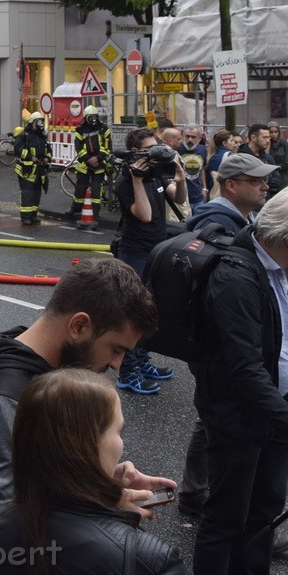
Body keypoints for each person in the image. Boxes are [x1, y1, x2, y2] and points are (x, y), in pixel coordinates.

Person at [0, 258, 169, 575]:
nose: (117, 365)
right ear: (79, 326)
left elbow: (40, 484)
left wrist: (102, 482)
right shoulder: (8, 399)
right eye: (115, 349)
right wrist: (104, 512)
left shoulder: (37, 361)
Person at [192, 185, 288, 575]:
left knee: (264, 512)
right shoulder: (236, 276)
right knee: (227, 515)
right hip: (237, 413)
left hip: (280, 410)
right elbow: (243, 368)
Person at [180, 152, 288, 557]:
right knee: (215, 426)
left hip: (230, 355)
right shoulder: (221, 222)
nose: (265, 186)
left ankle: (199, 493)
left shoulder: (243, 220)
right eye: (256, 180)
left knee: (209, 424)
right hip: (223, 353)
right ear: (232, 185)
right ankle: (199, 494)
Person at [0, 368, 188, 575]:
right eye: (119, 431)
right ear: (86, 446)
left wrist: (103, 496)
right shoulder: (151, 559)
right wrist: (115, 516)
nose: (121, 443)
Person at [113, 128, 186, 395]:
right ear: (136, 153)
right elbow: (143, 215)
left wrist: (180, 175)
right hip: (136, 252)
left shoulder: (155, 176)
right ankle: (127, 372)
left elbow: (178, 197)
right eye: (150, 148)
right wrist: (136, 179)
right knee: (133, 313)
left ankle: (143, 361)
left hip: (157, 250)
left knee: (151, 312)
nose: (156, 151)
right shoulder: (124, 183)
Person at [67, 105, 111, 219]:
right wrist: (88, 159)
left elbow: (107, 145)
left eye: (95, 116)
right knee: (80, 189)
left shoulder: (103, 128)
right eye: (91, 117)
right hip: (84, 165)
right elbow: (78, 147)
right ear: (86, 117)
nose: (93, 119)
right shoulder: (80, 129)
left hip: (99, 164)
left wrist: (98, 158)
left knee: (97, 191)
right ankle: (75, 209)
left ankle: (95, 213)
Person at [13, 111, 51, 225]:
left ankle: (33, 215)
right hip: (27, 171)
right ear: (32, 123)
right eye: (38, 121)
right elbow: (17, 150)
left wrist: (47, 158)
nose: (40, 124)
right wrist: (30, 157)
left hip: (39, 171)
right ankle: (25, 217)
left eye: (42, 121)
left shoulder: (42, 136)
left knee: (36, 194)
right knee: (27, 194)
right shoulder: (24, 135)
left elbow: (49, 150)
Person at [237, 123, 282, 199]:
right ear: (254, 138)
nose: (268, 141)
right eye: (264, 138)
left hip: (265, 202)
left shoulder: (268, 158)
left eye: (269, 138)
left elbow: (277, 181)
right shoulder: (241, 158)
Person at [179, 124, 209, 213]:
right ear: (182, 136)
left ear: (199, 139)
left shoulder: (202, 149)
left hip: (197, 197)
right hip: (181, 197)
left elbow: (202, 169)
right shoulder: (177, 149)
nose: (190, 140)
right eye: (187, 136)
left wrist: (204, 188)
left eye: (193, 137)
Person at [205, 130, 236, 199]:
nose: (234, 143)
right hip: (224, 195)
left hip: (212, 194)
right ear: (224, 143)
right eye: (231, 141)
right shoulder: (230, 156)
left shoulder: (211, 156)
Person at [267, 121, 288, 189]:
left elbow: (287, 164)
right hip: (269, 180)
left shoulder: (284, 144)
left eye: (276, 132)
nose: (274, 134)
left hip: (283, 180)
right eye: (271, 132)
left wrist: (273, 167)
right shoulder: (265, 144)